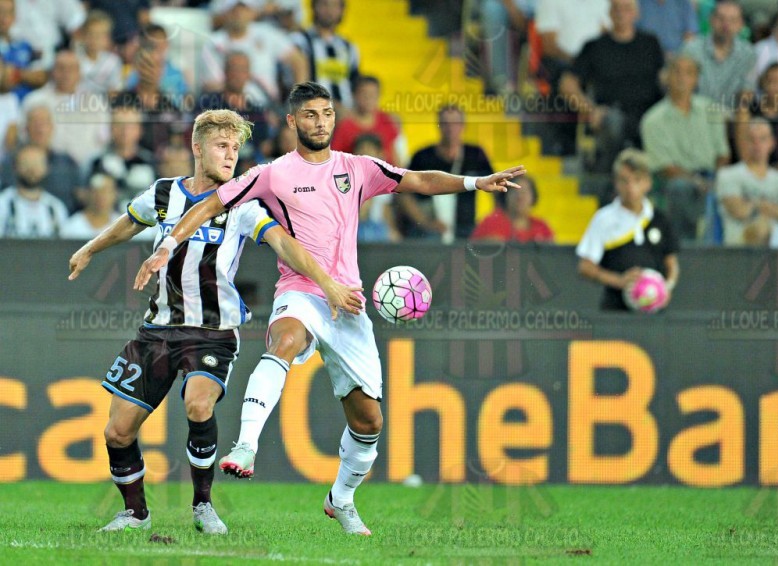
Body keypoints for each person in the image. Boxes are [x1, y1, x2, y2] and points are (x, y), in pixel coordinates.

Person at [133, 82, 523, 536]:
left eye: (327, 113)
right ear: (292, 121)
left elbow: (418, 180)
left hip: (349, 302)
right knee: (285, 340)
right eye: (311, 115)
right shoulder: (272, 173)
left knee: (369, 421)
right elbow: (212, 203)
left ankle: (341, 498)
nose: (321, 123)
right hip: (300, 291)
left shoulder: (357, 168)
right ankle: (246, 445)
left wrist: (476, 182)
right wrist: (169, 244)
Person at [68, 108, 361, 534]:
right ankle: (135, 513)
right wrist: (90, 249)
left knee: (199, 403)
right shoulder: (164, 193)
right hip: (157, 330)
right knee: (117, 431)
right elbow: (129, 223)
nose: (230, 155)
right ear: (197, 147)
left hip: (212, 332)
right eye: (222, 145)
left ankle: (203, 506)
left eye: (235, 148)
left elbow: (284, 244)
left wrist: (327, 283)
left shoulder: (242, 203)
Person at [559, 0, 663, 175]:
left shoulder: (651, 44)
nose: (621, 13)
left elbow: (665, 78)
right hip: (611, 115)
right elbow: (567, 84)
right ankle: (610, 181)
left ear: (637, 14)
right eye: (616, 8)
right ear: (609, 13)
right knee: (613, 123)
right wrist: (590, 110)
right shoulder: (595, 46)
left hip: (650, 115)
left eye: (627, 8)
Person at [640, 55, 730, 242]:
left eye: (689, 73)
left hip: (712, 175)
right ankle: (685, 247)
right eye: (676, 72)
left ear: (696, 79)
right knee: (681, 189)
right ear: (666, 77)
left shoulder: (710, 109)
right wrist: (697, 181)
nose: (682, 78)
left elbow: (723, 154)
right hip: (675, 181)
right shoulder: (652, 120)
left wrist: (717, 178)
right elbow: (665, 167)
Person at [577, 148, 679, 311]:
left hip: (655, 314)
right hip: (615, 312)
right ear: (616, 183)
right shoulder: (603, 219)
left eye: (637, 180)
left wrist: (666, 287)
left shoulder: (660, 219)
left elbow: (671, 263)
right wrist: (619, 281)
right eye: (624, 180)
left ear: (648, 182)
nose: (631, 187)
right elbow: (585, 267)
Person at [396, 105, 494, 243]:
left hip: (466, 230)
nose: (450, 128)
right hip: (428, 232)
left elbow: (496, 189)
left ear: (463, 125)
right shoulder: (423, 156)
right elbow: (403, 193)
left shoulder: (475, 154)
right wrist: (425, 222)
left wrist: (493, 224)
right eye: (445, 123)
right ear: (438, 125)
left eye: (455, 123)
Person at [717, 118, 778, 246]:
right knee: (762, 228)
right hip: (741, 243)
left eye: (762, 139)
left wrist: (757, 205)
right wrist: (775, 210)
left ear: (772, 143)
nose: (757, 144)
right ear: (744, 142)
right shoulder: (728, 175)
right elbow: (740, 211)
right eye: (752, 139)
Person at [682, 0, 756, 112]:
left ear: (741, 25)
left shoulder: (748, 54)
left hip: (730, 117)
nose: (726, 25)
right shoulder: (692, 50)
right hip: (694, 114)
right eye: (721, 18)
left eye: (732, 20)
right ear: (711, 20)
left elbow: (747, 91)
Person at [291, 0, 359, 109]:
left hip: (346, 112)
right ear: (314, 7)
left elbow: (355, 82)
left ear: (342, 10)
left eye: (335, 6)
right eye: (324, 4)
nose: (329, 10)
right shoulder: (300, 40)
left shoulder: (349, 47)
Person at [0, 144, 68, 238]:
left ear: (47, 168)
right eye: (26, 163)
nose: (32, 169)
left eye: (37, 163)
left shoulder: (56, 208)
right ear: (15, 167)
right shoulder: (3, 204)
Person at [470, 174, 554, 243]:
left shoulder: (542, 227)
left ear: (533, 197)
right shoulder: (491, 224)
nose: (520, 196)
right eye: (514, 191)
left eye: (525, 191)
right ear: (505, 196)